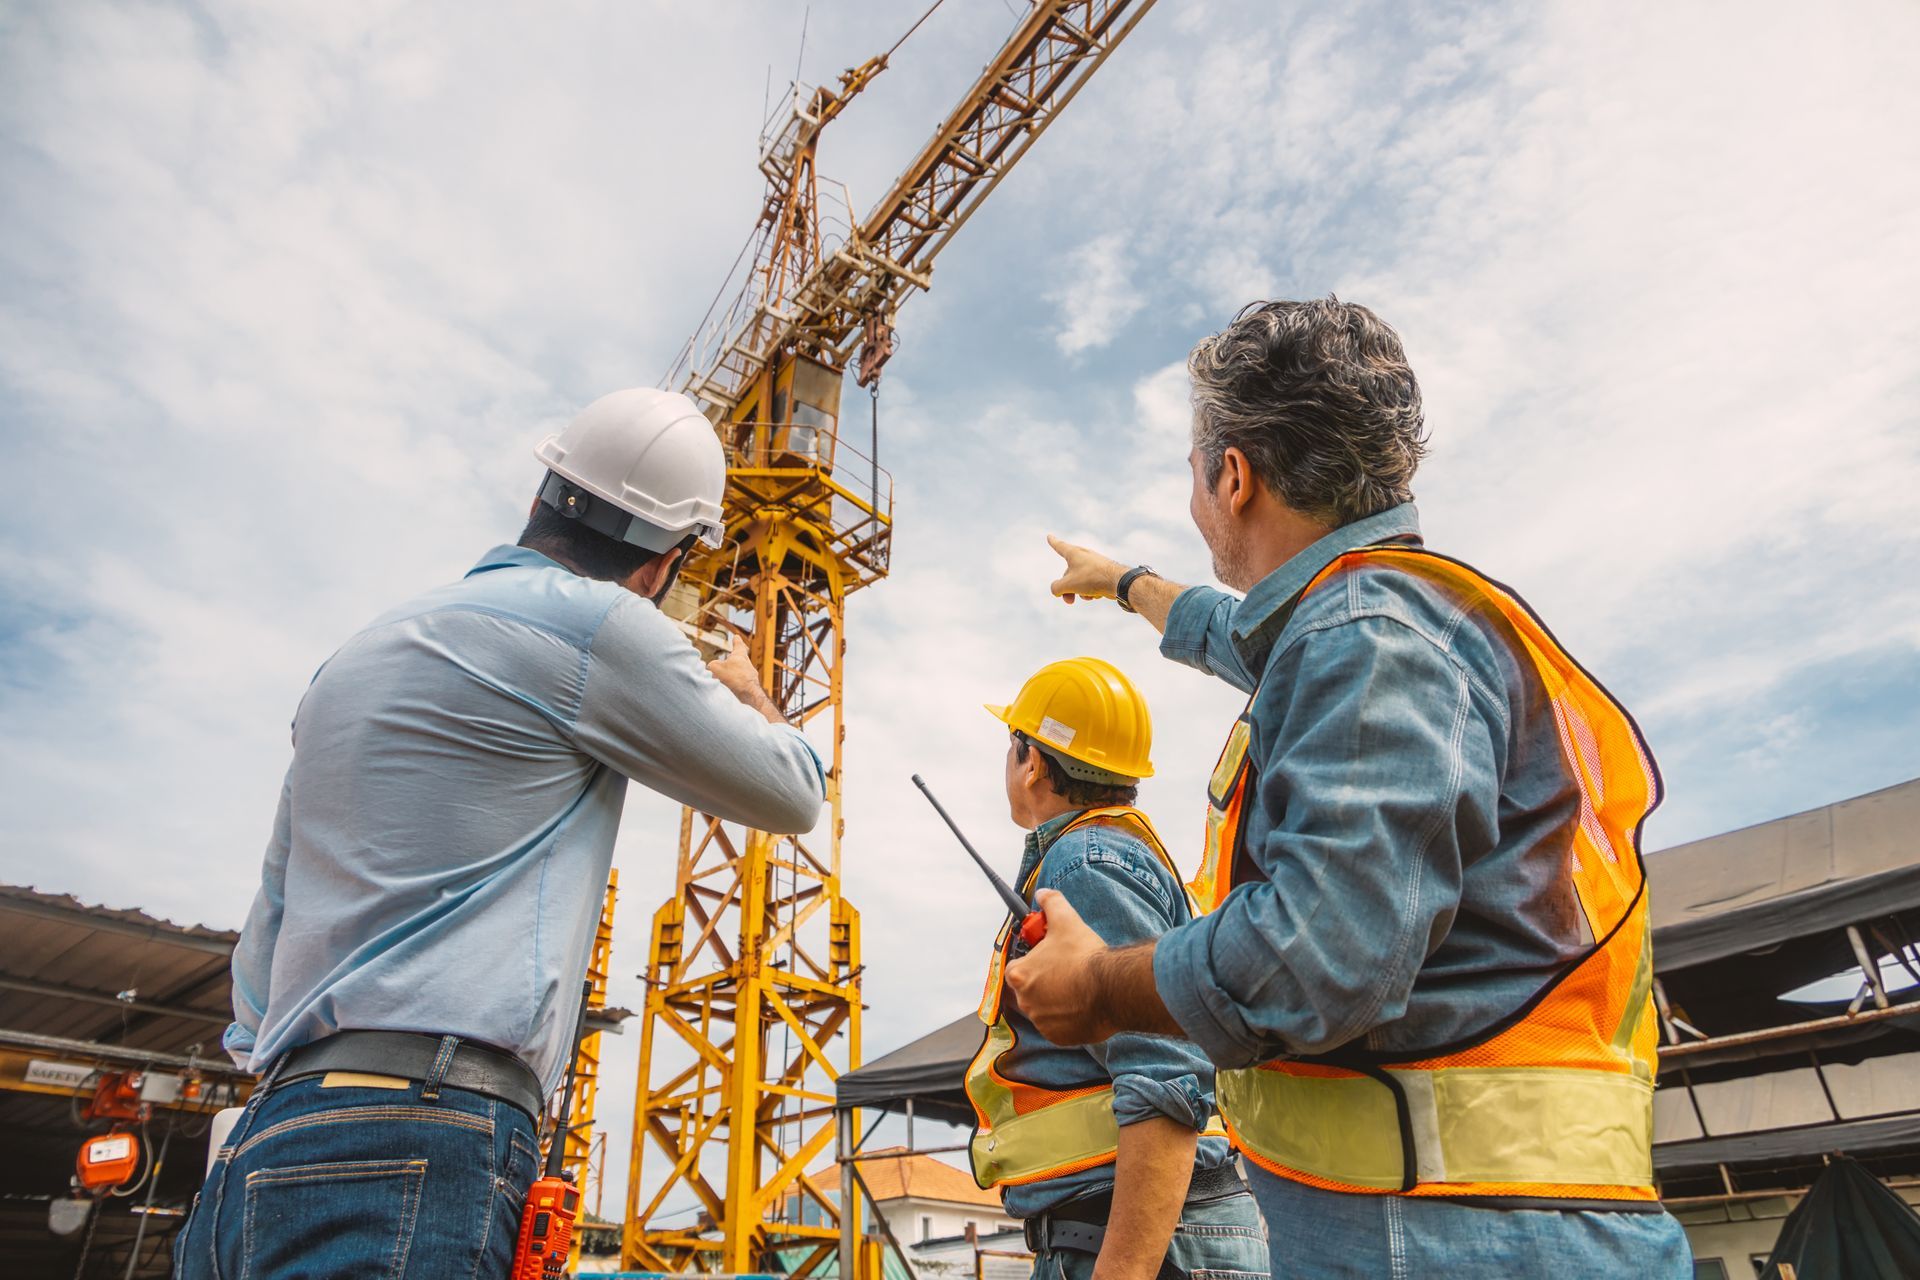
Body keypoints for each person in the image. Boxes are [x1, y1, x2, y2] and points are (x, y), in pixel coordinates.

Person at [1005, 299, 1692, 1278]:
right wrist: (1128, 584)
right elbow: (1249, 637)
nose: (1196, 504)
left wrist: (1101, 985)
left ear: (1232, 474)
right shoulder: (1379, 620)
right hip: (1474, 1224)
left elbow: (1316, 953)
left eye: (1196, 479)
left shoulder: (1366, 634)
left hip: (1448, 1238)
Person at [174, 388, 826, 1278]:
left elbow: (268, 928)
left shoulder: (360, 652)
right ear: (663, 565)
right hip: (425, 1134)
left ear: (539, 497)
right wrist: (751, 693)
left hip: (265, 1135)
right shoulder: (606, 627)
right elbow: (791, 791)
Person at [969, 658, 1267, 1280]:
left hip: (1138, 1241)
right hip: (1143, 1232)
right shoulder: (1112, 856)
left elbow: (1166, 1076)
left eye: (1012, 744)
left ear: (1034, 762)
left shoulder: (1083, 862)